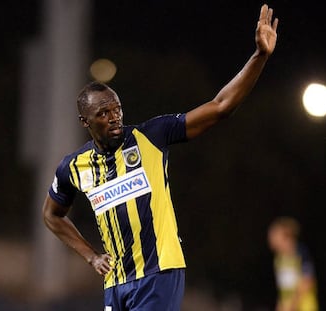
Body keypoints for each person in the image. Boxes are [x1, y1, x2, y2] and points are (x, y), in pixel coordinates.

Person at [43, 4, 278, 310]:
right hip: (116, 282)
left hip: (159, 273)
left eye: (117, 108)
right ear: (85, 122)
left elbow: (220, 106)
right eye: (103, 113)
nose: (114, 117)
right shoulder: (73, 167)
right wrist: (91, 255)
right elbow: (51, 214)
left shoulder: (151, 136)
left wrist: (259, 57)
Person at [267, 217, 319, 311]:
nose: (271, 238)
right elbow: (284, 288)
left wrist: (293, 304)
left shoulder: (301, 253)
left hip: (304, 307)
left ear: (287, 236)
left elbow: (308, 281)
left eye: (275, 235)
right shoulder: (279, 259)